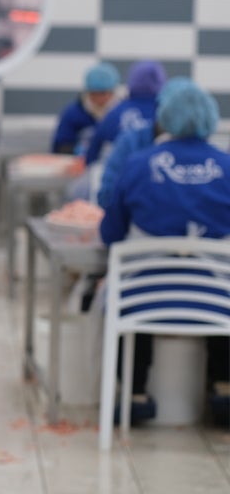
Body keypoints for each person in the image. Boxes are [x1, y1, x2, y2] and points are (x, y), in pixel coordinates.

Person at [99, 81, 230, 424]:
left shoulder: (138, 164)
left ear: (165, 118)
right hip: (218, 303)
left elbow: (110, 233)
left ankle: (134, 392)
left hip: (141, 301)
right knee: (217, 279)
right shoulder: (227, 166)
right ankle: (223, 387)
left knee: (126, 284)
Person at [95, 76, 193, 209]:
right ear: (159, 109)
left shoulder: (198, 151)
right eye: (172, 114)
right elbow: (107, 195)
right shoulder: (131, 142)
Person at [83, 60, 166, 166]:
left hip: (118, 176)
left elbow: (92, 156)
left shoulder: (114, 114)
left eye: (103, 93)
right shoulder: (165, 116)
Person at [51, 62, 120, 155]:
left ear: (112, 92)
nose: (99, 98)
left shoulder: (121, 113)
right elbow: (60, 146)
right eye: (94, 94)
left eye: (103, 93)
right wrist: (76, 151)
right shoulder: (73, 113)